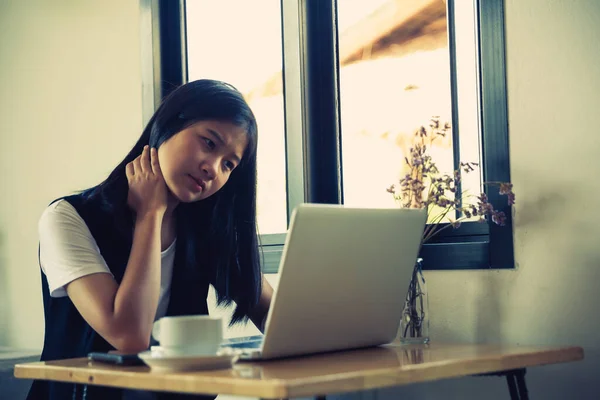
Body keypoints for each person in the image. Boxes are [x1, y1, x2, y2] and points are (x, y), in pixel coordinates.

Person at [27, 79, 274, 400]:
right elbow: (129, 336)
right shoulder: (67, 218)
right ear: (168, 126)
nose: (213, 169)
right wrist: (150, 215)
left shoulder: (204, 229)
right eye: (209, 144)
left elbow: (276, 318)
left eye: (229, 164)